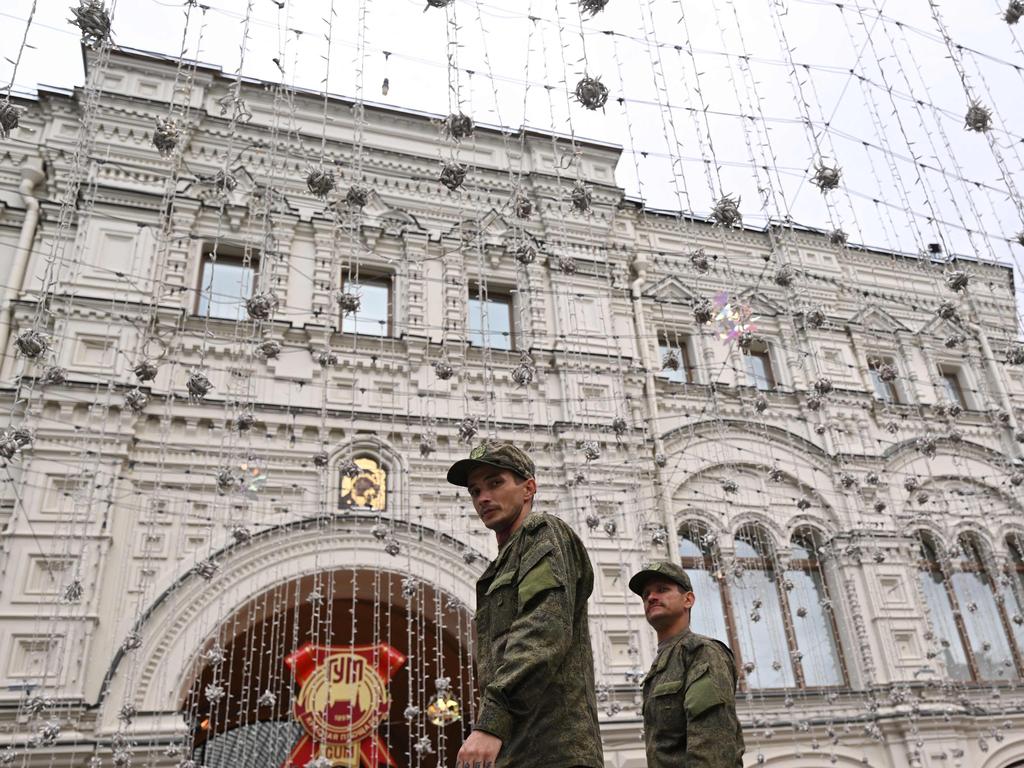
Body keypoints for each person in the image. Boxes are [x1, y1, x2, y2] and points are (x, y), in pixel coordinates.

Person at [448, 441, 603, 768]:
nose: (483, 498)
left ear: (528, 488)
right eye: (475, 491)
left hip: (554, 750)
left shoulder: (542, 532)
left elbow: (541, 631)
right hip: (518, 749)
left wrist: (491, 721)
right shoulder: (502, 564)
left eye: (495, 483)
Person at [629, 561, 745, 768]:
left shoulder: (701, 652)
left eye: (662, 590)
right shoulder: (660, 667)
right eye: (646, 594)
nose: (651, 597)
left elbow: (713, 745)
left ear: (688, 600)